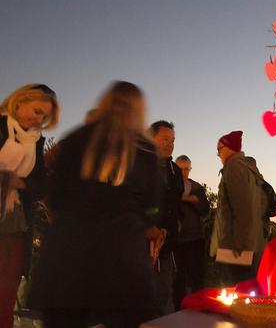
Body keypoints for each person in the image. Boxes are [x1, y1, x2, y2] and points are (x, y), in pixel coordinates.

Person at [30, 81, 162, 328]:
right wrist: (144, 222)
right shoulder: (146, 151)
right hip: (122, 258)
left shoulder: (76, 139)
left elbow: (56, 195)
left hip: (68, 255)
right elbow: (152, 206)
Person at [0, 83, 58, 328]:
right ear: (19, 101)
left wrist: (19, 182)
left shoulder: (35, 141)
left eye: (44, 117)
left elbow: (40, 184)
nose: (39, 120)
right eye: (37, 111)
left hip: (14, 222)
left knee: (6, 289)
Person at [211, 130, 267, 286]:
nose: (218, 154)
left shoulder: (234, 168)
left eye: (219, 149)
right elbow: (261, 204)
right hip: (251, 244)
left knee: (234, 293)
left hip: (236, 248)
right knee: (247, 291)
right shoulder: (249, 170)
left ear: (229, 148)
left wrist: (240, 243)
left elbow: (243, 208)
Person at [149, 120, 183, 315]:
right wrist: (150, 226)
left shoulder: (175, 171)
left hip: (167, 245)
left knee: (162, 296)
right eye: (165, 139)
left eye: (172, 140)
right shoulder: (139, 166)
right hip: (142, 243)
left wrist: (172, 226)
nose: (170, 144)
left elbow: (175, 204)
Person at [172, 155, 210, 310]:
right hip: (177, 239)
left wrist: (193, 200)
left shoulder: (197, 188)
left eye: (186, 169)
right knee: (178, 278)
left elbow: (205, 210)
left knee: (196, 277)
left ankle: (199, 308)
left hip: (195, 238)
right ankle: (178, 310)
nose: (183, 172)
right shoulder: (170, 187)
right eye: (180, 169)